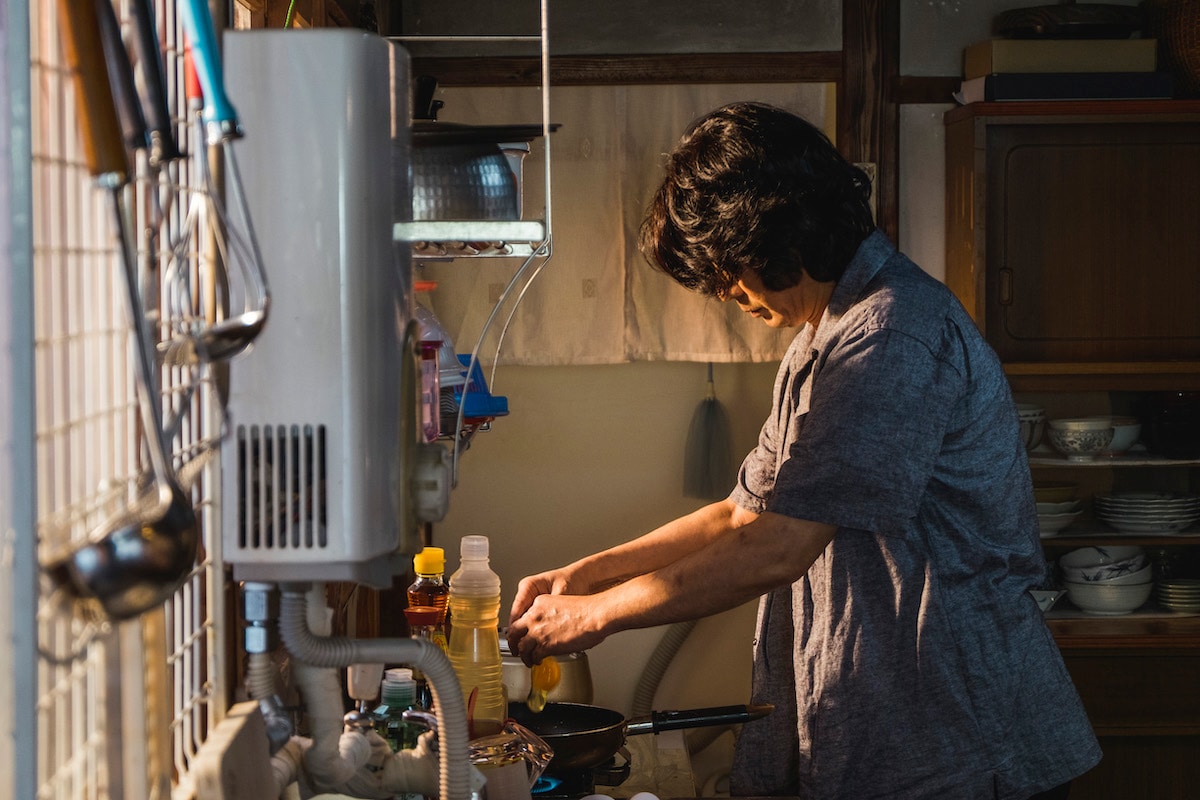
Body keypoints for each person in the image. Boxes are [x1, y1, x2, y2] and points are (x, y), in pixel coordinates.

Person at [505, 102, 1101, 799]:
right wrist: (585, 575)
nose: (726, 293)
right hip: (890, 709)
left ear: (774, 233)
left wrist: (596, 615)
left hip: (953, 722)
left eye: (727, 270)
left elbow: (778, 547)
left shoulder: (892, 335)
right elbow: (739, 516)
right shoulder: (822, 339)